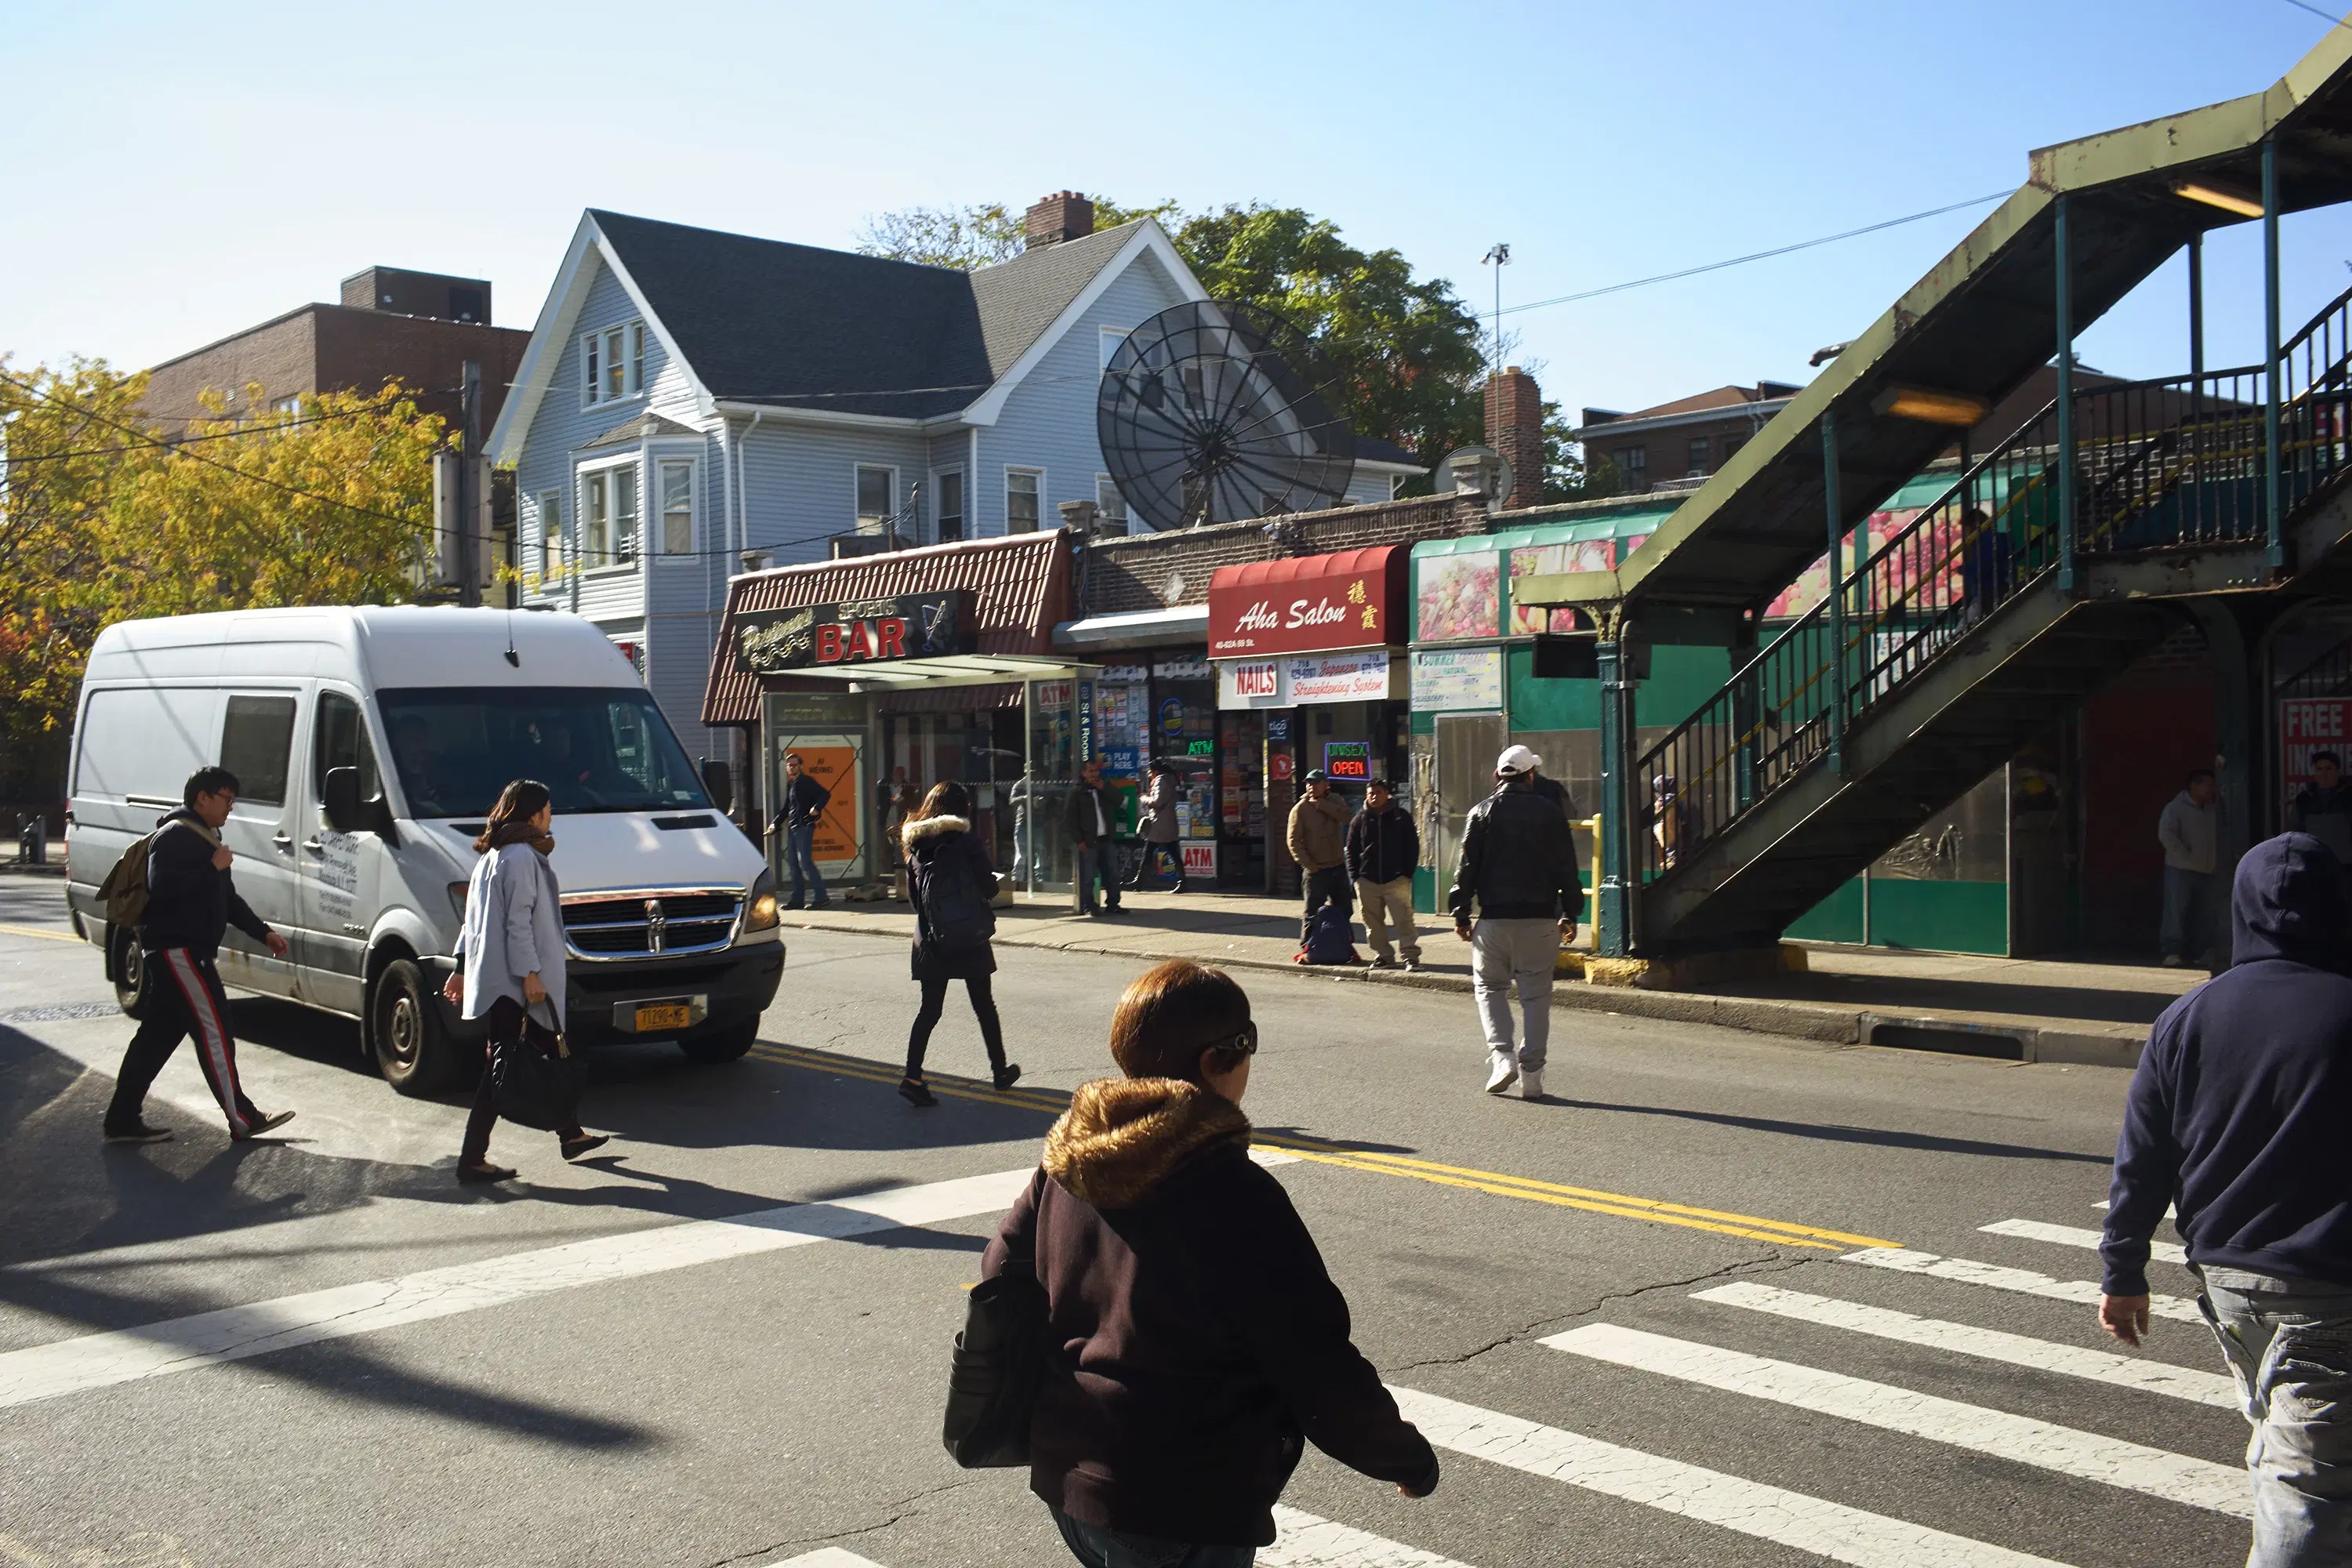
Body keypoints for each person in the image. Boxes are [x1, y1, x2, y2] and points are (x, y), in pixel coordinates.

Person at [981, 959, 1440, 1566]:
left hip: (1071, 1475)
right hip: (1179, 1503)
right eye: (1247, 1048)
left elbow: (998, 1276)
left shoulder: (1067, 1160)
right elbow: (1312, 1359)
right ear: (1213, 1062)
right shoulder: (1232, 1191)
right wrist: (1400, 1457)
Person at [2100, 833, 2352, 1564]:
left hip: (2231, 1285)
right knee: (2305, 1483)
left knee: (2288, 1439)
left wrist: (2122, 1273)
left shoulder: (2190, 1016)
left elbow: (2142, 1160)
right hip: (2329, 1287)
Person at [103, 766, 296, 1145]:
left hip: (183, 951)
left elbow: (228, 899)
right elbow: (163, 888)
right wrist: (212, 868)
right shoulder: (176, 835)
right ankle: (243, 1117)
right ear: (202, 798)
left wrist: (264, 933)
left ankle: (122, 1119)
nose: (230, 807)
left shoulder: (206, 837)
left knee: (156, 1038)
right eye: (226, 798)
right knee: (216, 1031)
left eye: (232, 800)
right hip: (180, 952)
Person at [441, 779, 608, 1182]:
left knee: (535, 1051)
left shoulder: (493, 856)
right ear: (535, 814)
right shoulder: (519, 857)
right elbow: (517, 922)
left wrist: (462, 967)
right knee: (502, 1068)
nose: (552, 817)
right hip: (514, 983)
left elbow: (473, 923)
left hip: (500, 980)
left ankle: (570, 1134)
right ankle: (472, 1159)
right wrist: (530, 974)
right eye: (548, 809)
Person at [1448, 744, 1581, 1102]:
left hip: (1494, 919)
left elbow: (1466, 868)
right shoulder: (1551, 813)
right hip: (1539, 918)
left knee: (1490, 989)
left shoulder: (1481, 812)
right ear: (1530, 776)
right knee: (1536, 996)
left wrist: (1460, 912)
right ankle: (1533, 1076)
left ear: (1498, 776)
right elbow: (1567, 867)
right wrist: (1570, 911)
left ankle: (1502, 1057)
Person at [898, 780, 1021, 1106]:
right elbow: (989, 887)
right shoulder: (966, 841)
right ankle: (999, 1072)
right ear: (962, 809)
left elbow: (915, 901)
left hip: (931, 938)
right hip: (970, 936)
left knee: (929, 1011)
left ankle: (912, 1077)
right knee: (984, 1006)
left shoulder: (915, 845)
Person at [1347, 776, 1421, 971]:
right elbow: (1351, 849)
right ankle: (1384, 955)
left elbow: (1412, 846)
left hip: (1396, 879)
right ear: (1366, 795)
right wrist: (1356, 877)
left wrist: (1407, 873)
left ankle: (1410, 957)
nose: (1375, 796)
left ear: (1387, 794)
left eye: (1379, 792)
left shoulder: (1401, 816)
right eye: (1371, 793)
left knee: (1404, 919)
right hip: (1367, 881)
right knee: (1372, 922)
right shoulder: (1360, 820)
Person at [2158, 767, 2222, 967]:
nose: (2212, 790)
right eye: (2208, 785)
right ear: (2194, 786)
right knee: (2176, 912)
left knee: (2207, 914)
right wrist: (2186, 856)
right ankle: (2171, 951)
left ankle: (2200, 952)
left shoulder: (2214, 810)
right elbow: (2166, 835)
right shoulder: (2175, 808)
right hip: (2180, 869)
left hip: (2209, 870)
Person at [1286, 769, 1352, 942]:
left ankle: (1345, 945)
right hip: (1316, 870)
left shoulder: (1336, 801)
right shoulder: (1300, 809)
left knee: (1345, 910)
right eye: (1308, 783)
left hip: (1337, 866)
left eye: (1315, 783)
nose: (1311, 787)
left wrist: (1324, 805)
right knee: (1312, 912)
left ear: (1326, 785)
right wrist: (1309, 865)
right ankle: (1308, 947)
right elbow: (1293, 841)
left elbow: (1348, 819)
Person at [765, 752, 830, 910]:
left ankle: (822, 898)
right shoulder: (791, 784)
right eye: (789, 765)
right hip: (793, 827)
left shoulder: (806, 781)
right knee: (793, 865)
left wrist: (816, 808)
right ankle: (797, 900)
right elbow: (788, 807)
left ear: (801, 766)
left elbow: (825, 794)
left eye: (795, 765)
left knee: (805, 863)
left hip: (804, 826)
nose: (792, 767)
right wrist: (775, 823)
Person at [1066, 758, 1121, 917]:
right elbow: (1070, 819)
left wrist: (1104, 788)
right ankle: (1089, 905)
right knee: (1089, 876)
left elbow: (1120, 800)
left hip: (1106, 839)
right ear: (1083, 773)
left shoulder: (1104, 788)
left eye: (1096, 771)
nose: (1094, 774)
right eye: (1090, 771)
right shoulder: (1077, 792)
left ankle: (1113, 904)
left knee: (1112, 873)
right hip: (1089, 842)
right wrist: (1079, 840)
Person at [2292, 751, 2352, 870]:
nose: (2323, 773)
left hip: (2345, 868)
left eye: (2328, 769)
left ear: (2337, 772)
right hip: (2312, 867)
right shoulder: (2304, 800)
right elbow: (2294, 832)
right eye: (2319, 769)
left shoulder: (2349, 797)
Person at [1131, 760, 1185, 892]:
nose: (1149, 774)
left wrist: (1144, 799)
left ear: (1155, 771)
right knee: (1172, 853)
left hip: (1160, 824)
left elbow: (1158, 801)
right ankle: (1182, 882)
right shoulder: (1168, 780)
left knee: (1148, 853)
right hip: (1166, 823)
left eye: (1150, 771)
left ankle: (1139, 882)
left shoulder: (1160, 781)